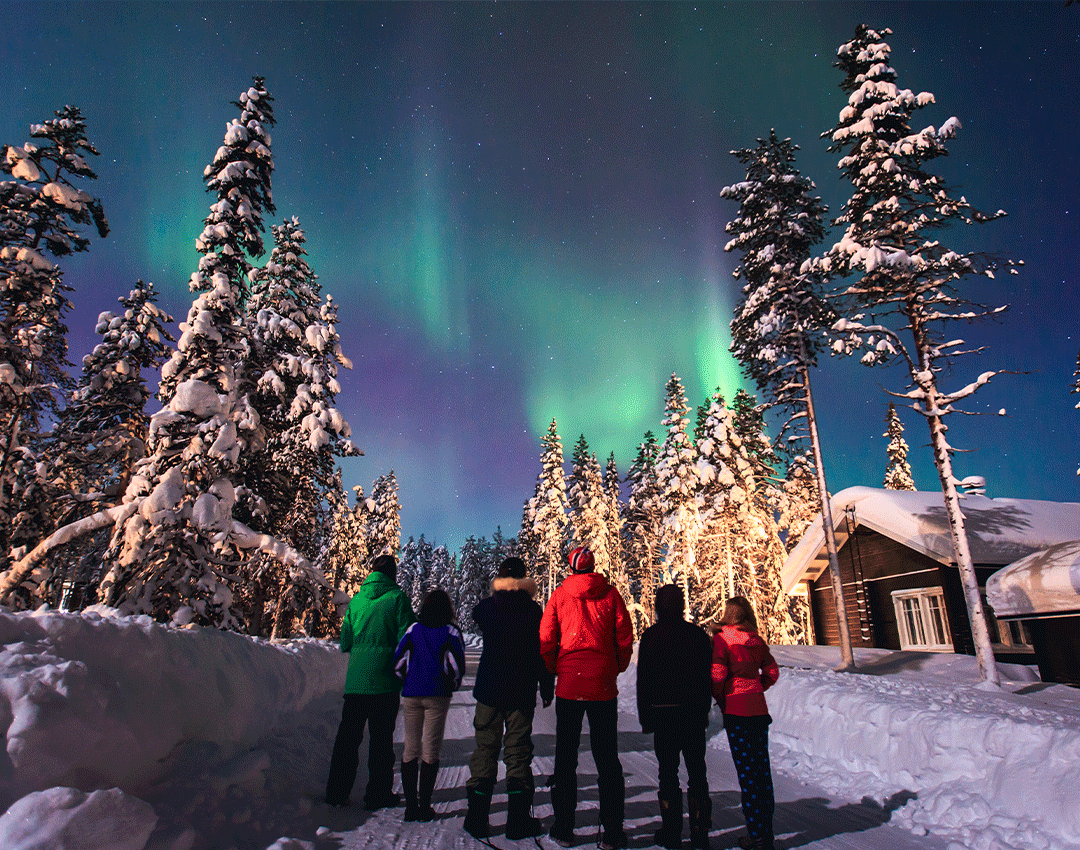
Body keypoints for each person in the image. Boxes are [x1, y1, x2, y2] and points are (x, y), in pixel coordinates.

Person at [540, 546, 634, 850]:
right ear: (593, 567)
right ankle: (612, 832)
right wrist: (615, 667)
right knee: (607, 758)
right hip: (602, 686)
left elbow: (546, 637)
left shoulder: (560, 595)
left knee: (566, 756)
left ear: (572, 567)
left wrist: (556, 668)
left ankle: (564, 829)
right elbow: (624, 635)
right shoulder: (610, 595)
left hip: (570, 685)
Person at [463, 556, 555, 840]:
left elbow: (476, 614)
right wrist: (546, 686)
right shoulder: (533, 611)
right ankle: (517, 822)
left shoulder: (489, 607)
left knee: (485, 750)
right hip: (521, 690)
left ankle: (477, 818)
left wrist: (496, 594)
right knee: (517, 753)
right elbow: (542, 652)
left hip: (490, 689)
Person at [324, 554, 416, 809]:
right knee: (381, 741)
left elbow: (345, 642)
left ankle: (336, 793)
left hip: (356, 683)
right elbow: (409, 637)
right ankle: (378, 794)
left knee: (348, 738)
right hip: (385, 682)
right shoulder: (397, 599)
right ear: (393, 574)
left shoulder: (357, 600)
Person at [636, 584, 714, 850]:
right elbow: (707, 678)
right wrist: (704, 711)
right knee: (697, 772)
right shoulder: (698, 636)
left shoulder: (651, 637)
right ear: (681, 606)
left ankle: (671, 832)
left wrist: (646, 717)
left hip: (663, 714)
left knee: (667, 772)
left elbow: (643, 681)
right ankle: (700, 833)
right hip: (692, 713)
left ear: (658, 606)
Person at [712, 596, 780, 850]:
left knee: (747, 774)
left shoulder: (722, 639)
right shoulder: (756, 640)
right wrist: (757, 688)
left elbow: (717, 674)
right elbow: (772, 672)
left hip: (736, 711)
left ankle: (755, 835)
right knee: (762, 772)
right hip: (758, 711)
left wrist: (721, 696)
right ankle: (767, 832)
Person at [393, 588, 467, 821]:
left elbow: (399, 660)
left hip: (412, 694)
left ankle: (410, 807)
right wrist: (452, 685)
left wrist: (407, 681)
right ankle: (424, 806)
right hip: (437, 694)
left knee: (410, 748)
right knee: (430, 749)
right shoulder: (451, 632)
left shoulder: (414, 629)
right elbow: (456, 665)